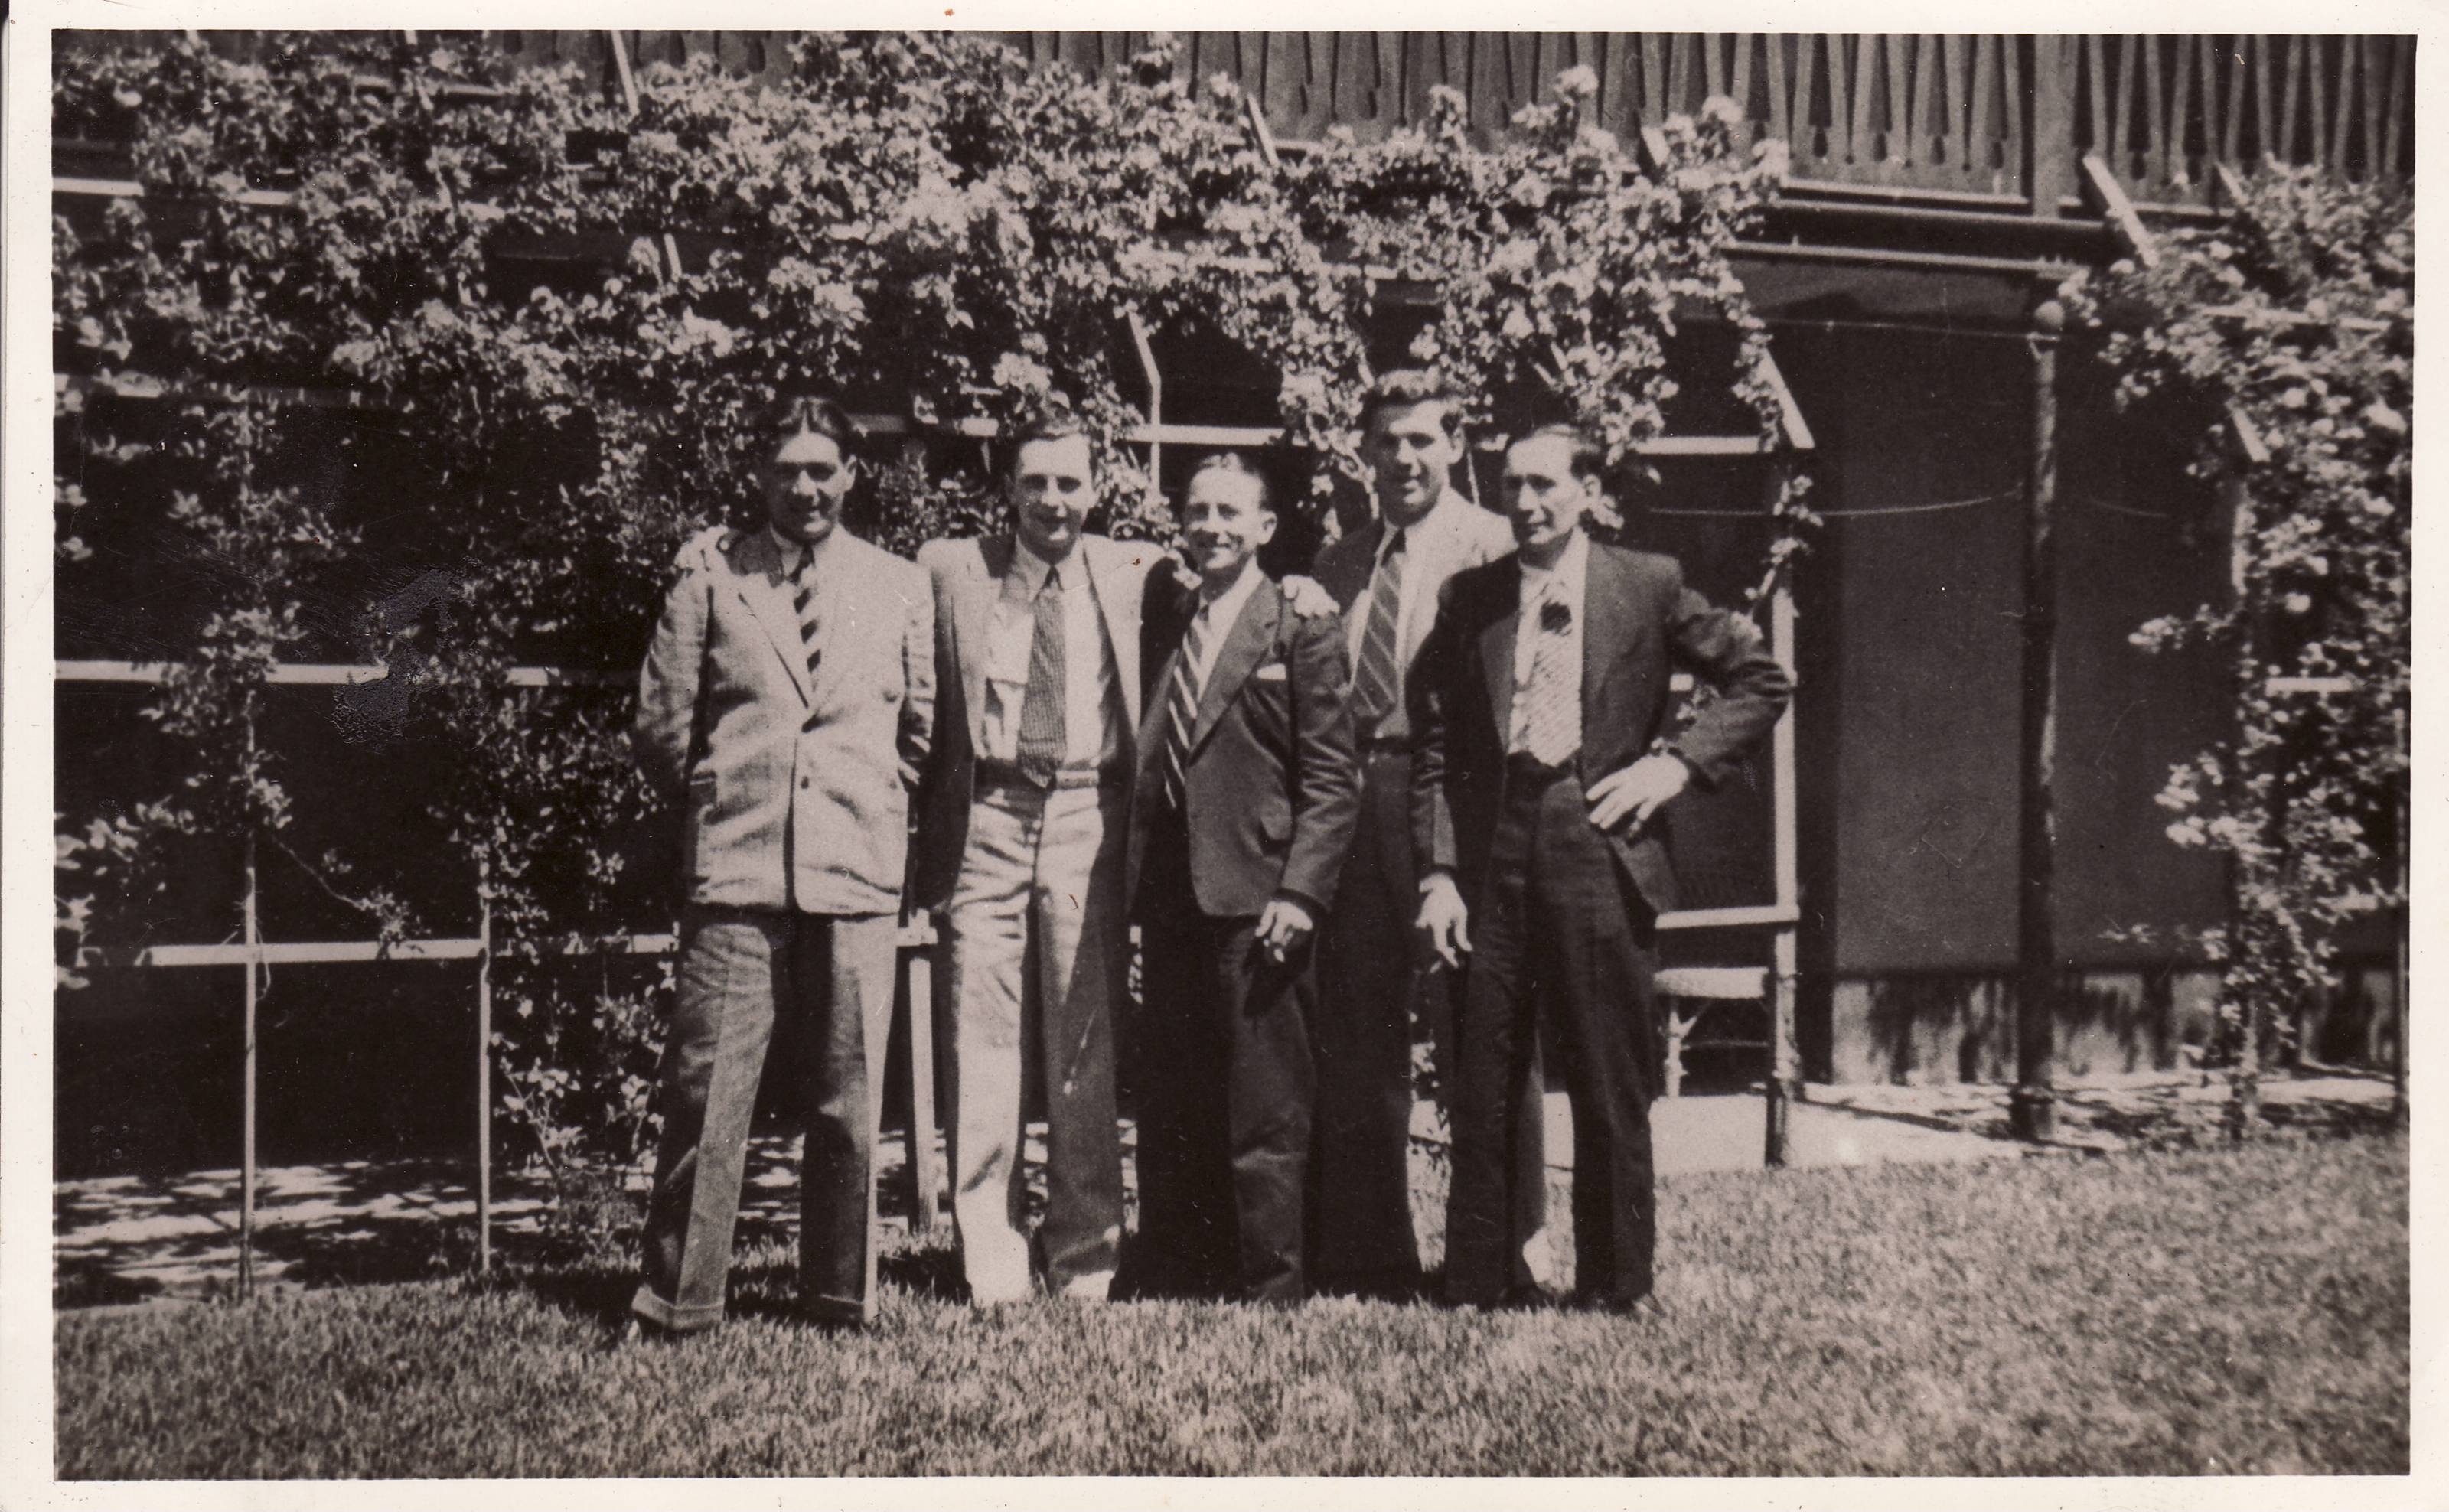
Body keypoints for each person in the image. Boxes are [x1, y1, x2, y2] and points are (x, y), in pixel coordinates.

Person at [1410, 423, 1791, 1312]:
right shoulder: (1471, 597)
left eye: (1544, 485)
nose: (1526, 504)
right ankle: (1479, 1277)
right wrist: (1438, 871)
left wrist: (1674, 766)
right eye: (1511, 486)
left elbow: (1760, 680)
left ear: (1586, 490)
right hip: (1491, 845)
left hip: (1599, 843)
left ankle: (1615, 1285)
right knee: (1485, 1067)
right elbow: (1436, 739)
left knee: (1606, 1075)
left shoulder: (1646, 584)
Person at [628, 393, 936, 1336]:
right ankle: (680, 1299)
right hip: (738, 867)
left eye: (822, 469)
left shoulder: (898, 584)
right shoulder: (712, 578)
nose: (805, 487)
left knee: (848, 1099)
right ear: (758, 476)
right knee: (707, 1090)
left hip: (855, 867)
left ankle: (839, 1297)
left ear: (851, 475)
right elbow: (661, 727)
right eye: (786, 469)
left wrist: (868, 803)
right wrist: (726, 809)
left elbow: (919, 730)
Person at [909, 413, 1150, 1304]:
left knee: (1084, 1036)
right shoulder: (949, 568)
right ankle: (993, 1253)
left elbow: (1236, 578)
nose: (1053, 500)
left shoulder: (1136, 570)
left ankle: (1084, 1251)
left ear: (1096, 489)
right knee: (982, 1035)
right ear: (1007, 488)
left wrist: (1305, 594)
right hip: (988, 815)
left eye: (1069, 483)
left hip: (1089, 810)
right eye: (1035, 482)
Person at [1123, 453, 1361, 1305]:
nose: (1211, 526)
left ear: (1265, 528)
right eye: (1197, 510)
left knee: (1265, 1104)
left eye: (1231, 512)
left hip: (1261, 898)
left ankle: (1272, 1286)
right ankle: (1182, 1269)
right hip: (1173, 898)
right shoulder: (1170, 616)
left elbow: (1333, 779)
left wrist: (1301, 893)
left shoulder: (1299, 621)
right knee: (1175, 1094)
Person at [1303, 369, 1517, 1299]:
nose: (1401, 458)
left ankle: (1501, 1247)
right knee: (1358, 1037)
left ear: (1455, 444)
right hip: (1354, 806)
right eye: (1385, 441)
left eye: (1420, 439)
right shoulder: (1341, 560)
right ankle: (1370, 1253)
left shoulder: (1499, 547)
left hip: (1455, 807)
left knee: (1483, 1030)